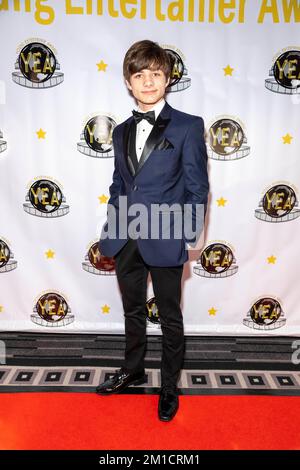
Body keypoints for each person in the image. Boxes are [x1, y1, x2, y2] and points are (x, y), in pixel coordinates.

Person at [96, 39, 209, 421]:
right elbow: (119, 184)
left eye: (155, 74)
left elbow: (197, 187)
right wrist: (111, 227)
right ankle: (132, 370)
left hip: (167, 234)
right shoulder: (121, 130)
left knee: (170, 314)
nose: (147, 82)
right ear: (129, 81)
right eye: (139, 75)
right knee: (132, 310)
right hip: (127, 234)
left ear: (168, 78)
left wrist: (190, 238)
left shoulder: (189, 126)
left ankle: (170, 385)